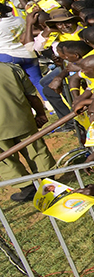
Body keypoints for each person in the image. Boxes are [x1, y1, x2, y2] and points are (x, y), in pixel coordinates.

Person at [0, 61, 56, 200]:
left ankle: (27, 188)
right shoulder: (11, 68)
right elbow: (31, 95)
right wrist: (40, 113)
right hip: (22, 119)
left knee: (6, 160)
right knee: (36, 149)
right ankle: (49, 181)